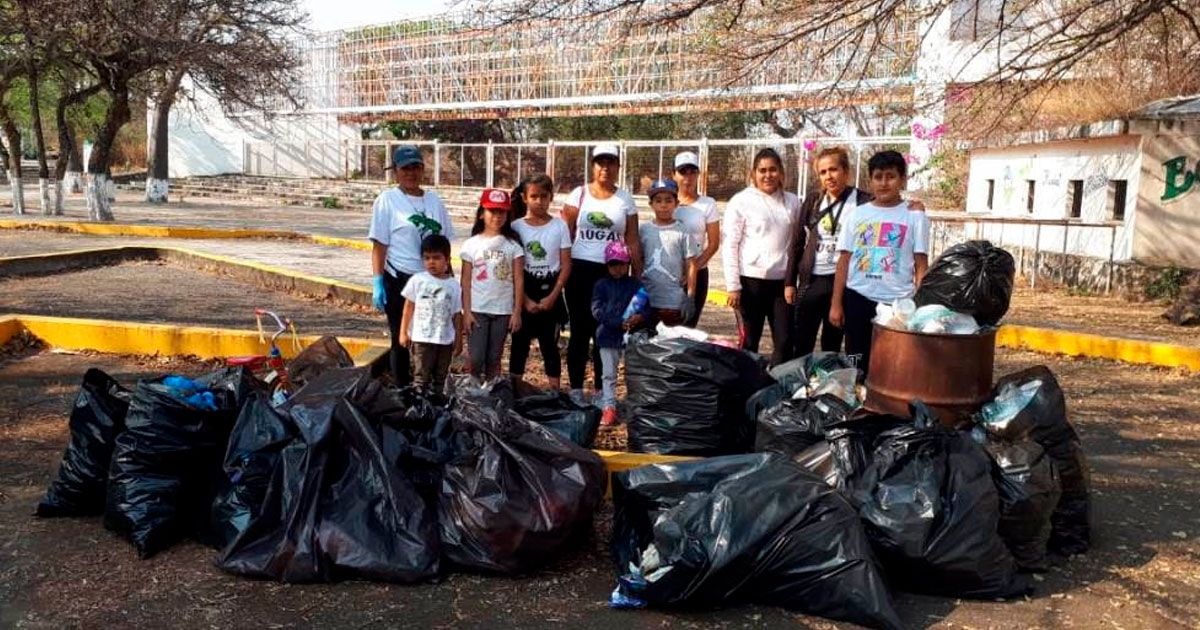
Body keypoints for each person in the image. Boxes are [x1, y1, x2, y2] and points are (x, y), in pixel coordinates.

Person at [830, 150, 930, 378]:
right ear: (870, 180)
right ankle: (858, 403)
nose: (884, 183)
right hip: (857, 297)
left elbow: (921, 265)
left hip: (898, 303)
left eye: (890, 176)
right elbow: (844, 261)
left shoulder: (915, 216)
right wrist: (836, 303)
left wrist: (921, 304)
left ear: (902, 179)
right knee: (856, 360)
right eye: (878, 177)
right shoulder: (857, 215)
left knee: (892, 363)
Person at [561, 144, 642, 402]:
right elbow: (565, 234)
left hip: (612, 274)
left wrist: (637, 280)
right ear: (592, 165)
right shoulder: (579, 195)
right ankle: (575, 389)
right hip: (580, 270)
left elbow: (632, 240)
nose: (605, 167)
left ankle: (600, 391)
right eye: (599, 162)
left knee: (605, 331)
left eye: (610, 162)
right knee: (580, 332)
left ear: (618, 166)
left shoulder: (625, 200)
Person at [369, 145, 455, 385]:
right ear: (395, 170)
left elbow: (445, 241)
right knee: (402, 336)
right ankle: (402, 388)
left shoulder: (434, 201)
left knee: (431, 336)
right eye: (405, 168)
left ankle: (429, 386)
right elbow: (380, 245)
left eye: (416, 167)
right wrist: (378, 281)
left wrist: (450, 277)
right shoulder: (387, 200)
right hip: (401, 277)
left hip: (433, 280)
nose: (411, 173)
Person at [785, 146, 873, 356]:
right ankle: (802, 384)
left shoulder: (863, 201)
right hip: (813, 280)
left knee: (832, 342)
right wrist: (789, 282)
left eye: (833, 169)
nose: (828, 176)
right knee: (802, 340)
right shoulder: (814, 200)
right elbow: (797, 242)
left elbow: (890, 206)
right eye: (823, 172)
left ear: (846, 171)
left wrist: (912, 207)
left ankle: (829, 384)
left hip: (844, 282)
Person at [721, 147, 801, 365]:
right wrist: (733, 285)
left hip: (782, 286)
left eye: (773, 170)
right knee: (750, 342)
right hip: (750, 284)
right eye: (762, 170)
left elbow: (798, 243)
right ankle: (748, 391)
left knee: (785, 341)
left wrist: (793, 280)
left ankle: (776, 389)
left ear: (781, 172)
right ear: (753, 173)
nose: (768, 175)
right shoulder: (741, 201)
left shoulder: (793, 202)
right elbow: (730, 244)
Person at [509, 174, 572, 391]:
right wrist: (524, 300)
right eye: (533, 196)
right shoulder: (516, 227)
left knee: (549, 346)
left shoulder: (560, 227)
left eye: (543, 196)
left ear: (551, 197)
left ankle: (554, 392)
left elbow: (566, 264)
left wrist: (553, 296)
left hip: (550, 290)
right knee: (519, 344)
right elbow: (512, 267)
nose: (539, 201)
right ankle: (515, 390)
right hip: (524, 290)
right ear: (524, 198)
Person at [460, 188, 525, 380]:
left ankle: (489, 394)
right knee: (476, 356)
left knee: (494, 358)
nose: (496, 216)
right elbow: (465, 280)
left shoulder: (513, 246)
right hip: (478, 309)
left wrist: (516, 312)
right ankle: (471, 393)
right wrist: (467, 311)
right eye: (492, 211)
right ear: (481, 214)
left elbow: (519, 280)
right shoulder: (471, 244)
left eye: (501, 211)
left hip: (502, 310)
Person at [398, 235, 463, 394]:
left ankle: (437, 407)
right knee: (421, 376)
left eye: (436, 258)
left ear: (447, 259)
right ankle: (419, 406)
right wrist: (403, 332)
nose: (431, 262)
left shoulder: (453, 285)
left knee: (441, 377)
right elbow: (408, 307)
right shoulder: (418, 280)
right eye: (427, 258)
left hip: (444, 340)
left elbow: (457, 314)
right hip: (422, 339)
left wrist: (459, 339)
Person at [591, 241, 645, 427]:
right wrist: (616, 322)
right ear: (607, 265)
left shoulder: (635, 284)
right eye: (613, 265)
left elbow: (647, 307)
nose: (617, 269)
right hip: (607, 335)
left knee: (633, 374)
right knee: (608, 374)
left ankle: (634, 407)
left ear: (628, 264)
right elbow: (596, 310)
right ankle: (608, 407)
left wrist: (639, 317)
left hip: (631, 336)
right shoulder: (601, 285)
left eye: (621, 264)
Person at [639, 178, 699, 326]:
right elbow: (638, 260)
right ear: (651, 204)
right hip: (647, 299)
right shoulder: (644, 230)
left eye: (668, 200)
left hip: (673, 302)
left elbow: (691, 264)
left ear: (676, 203)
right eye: (658, 201)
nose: (663, 205)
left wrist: (690, 296)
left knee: (672, 345)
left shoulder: (683, 231)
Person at [672, 151, 720, 327]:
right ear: (674, 175)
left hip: (697, 275)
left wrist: (692, 270)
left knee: (686, 328)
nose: (688, 177)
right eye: (683, 172)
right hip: (669, 273)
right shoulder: (666, 202)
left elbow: (714, 244)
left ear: (699, 174)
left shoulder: (708, 204)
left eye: (692, 171)